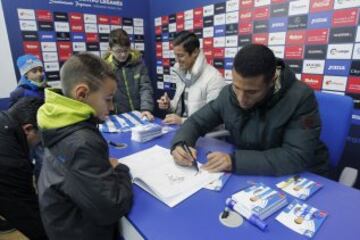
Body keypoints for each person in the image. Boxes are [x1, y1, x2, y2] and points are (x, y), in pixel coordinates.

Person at [170, 44, 329, 176]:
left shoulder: (301, 97)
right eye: (236, 87)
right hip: (254, 172)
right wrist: (181, 143)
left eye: (251, 92)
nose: (240, 98)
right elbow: (197, 121)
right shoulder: (228, 94)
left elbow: (296, 155)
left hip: (300, 175)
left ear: (272, 81)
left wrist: (235, 161)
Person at [37, 52, 133, 240]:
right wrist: (121, 170)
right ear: (81, 94)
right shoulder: (82, 142)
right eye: (108, 99)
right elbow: (112, 207)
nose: (112, 107)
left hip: (62, 223)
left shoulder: (57, 120)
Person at [0, 97, 48, 240]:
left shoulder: (4, 118)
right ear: (28, 129)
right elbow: (28, 216)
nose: (39, 143)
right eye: (41, 138)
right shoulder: (12, 164)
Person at [157, 31, 225, 124]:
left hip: (203, 135)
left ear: (195, 52)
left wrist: (182, 121)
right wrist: (169, 105)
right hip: (184, 130)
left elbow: (213, 119)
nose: (176, 60)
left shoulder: (214, 78)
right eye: (175, 55)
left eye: (180, 56)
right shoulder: (181, 72)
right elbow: (183, 109)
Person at [104, 28, 154, 121]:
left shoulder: (139, 64)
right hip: (116, 117)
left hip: (140, 115)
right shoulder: (105, 68)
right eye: (118, 51)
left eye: (126, 50)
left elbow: (145, 88)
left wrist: (146, 109)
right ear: (110, 50)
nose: (123, 54)